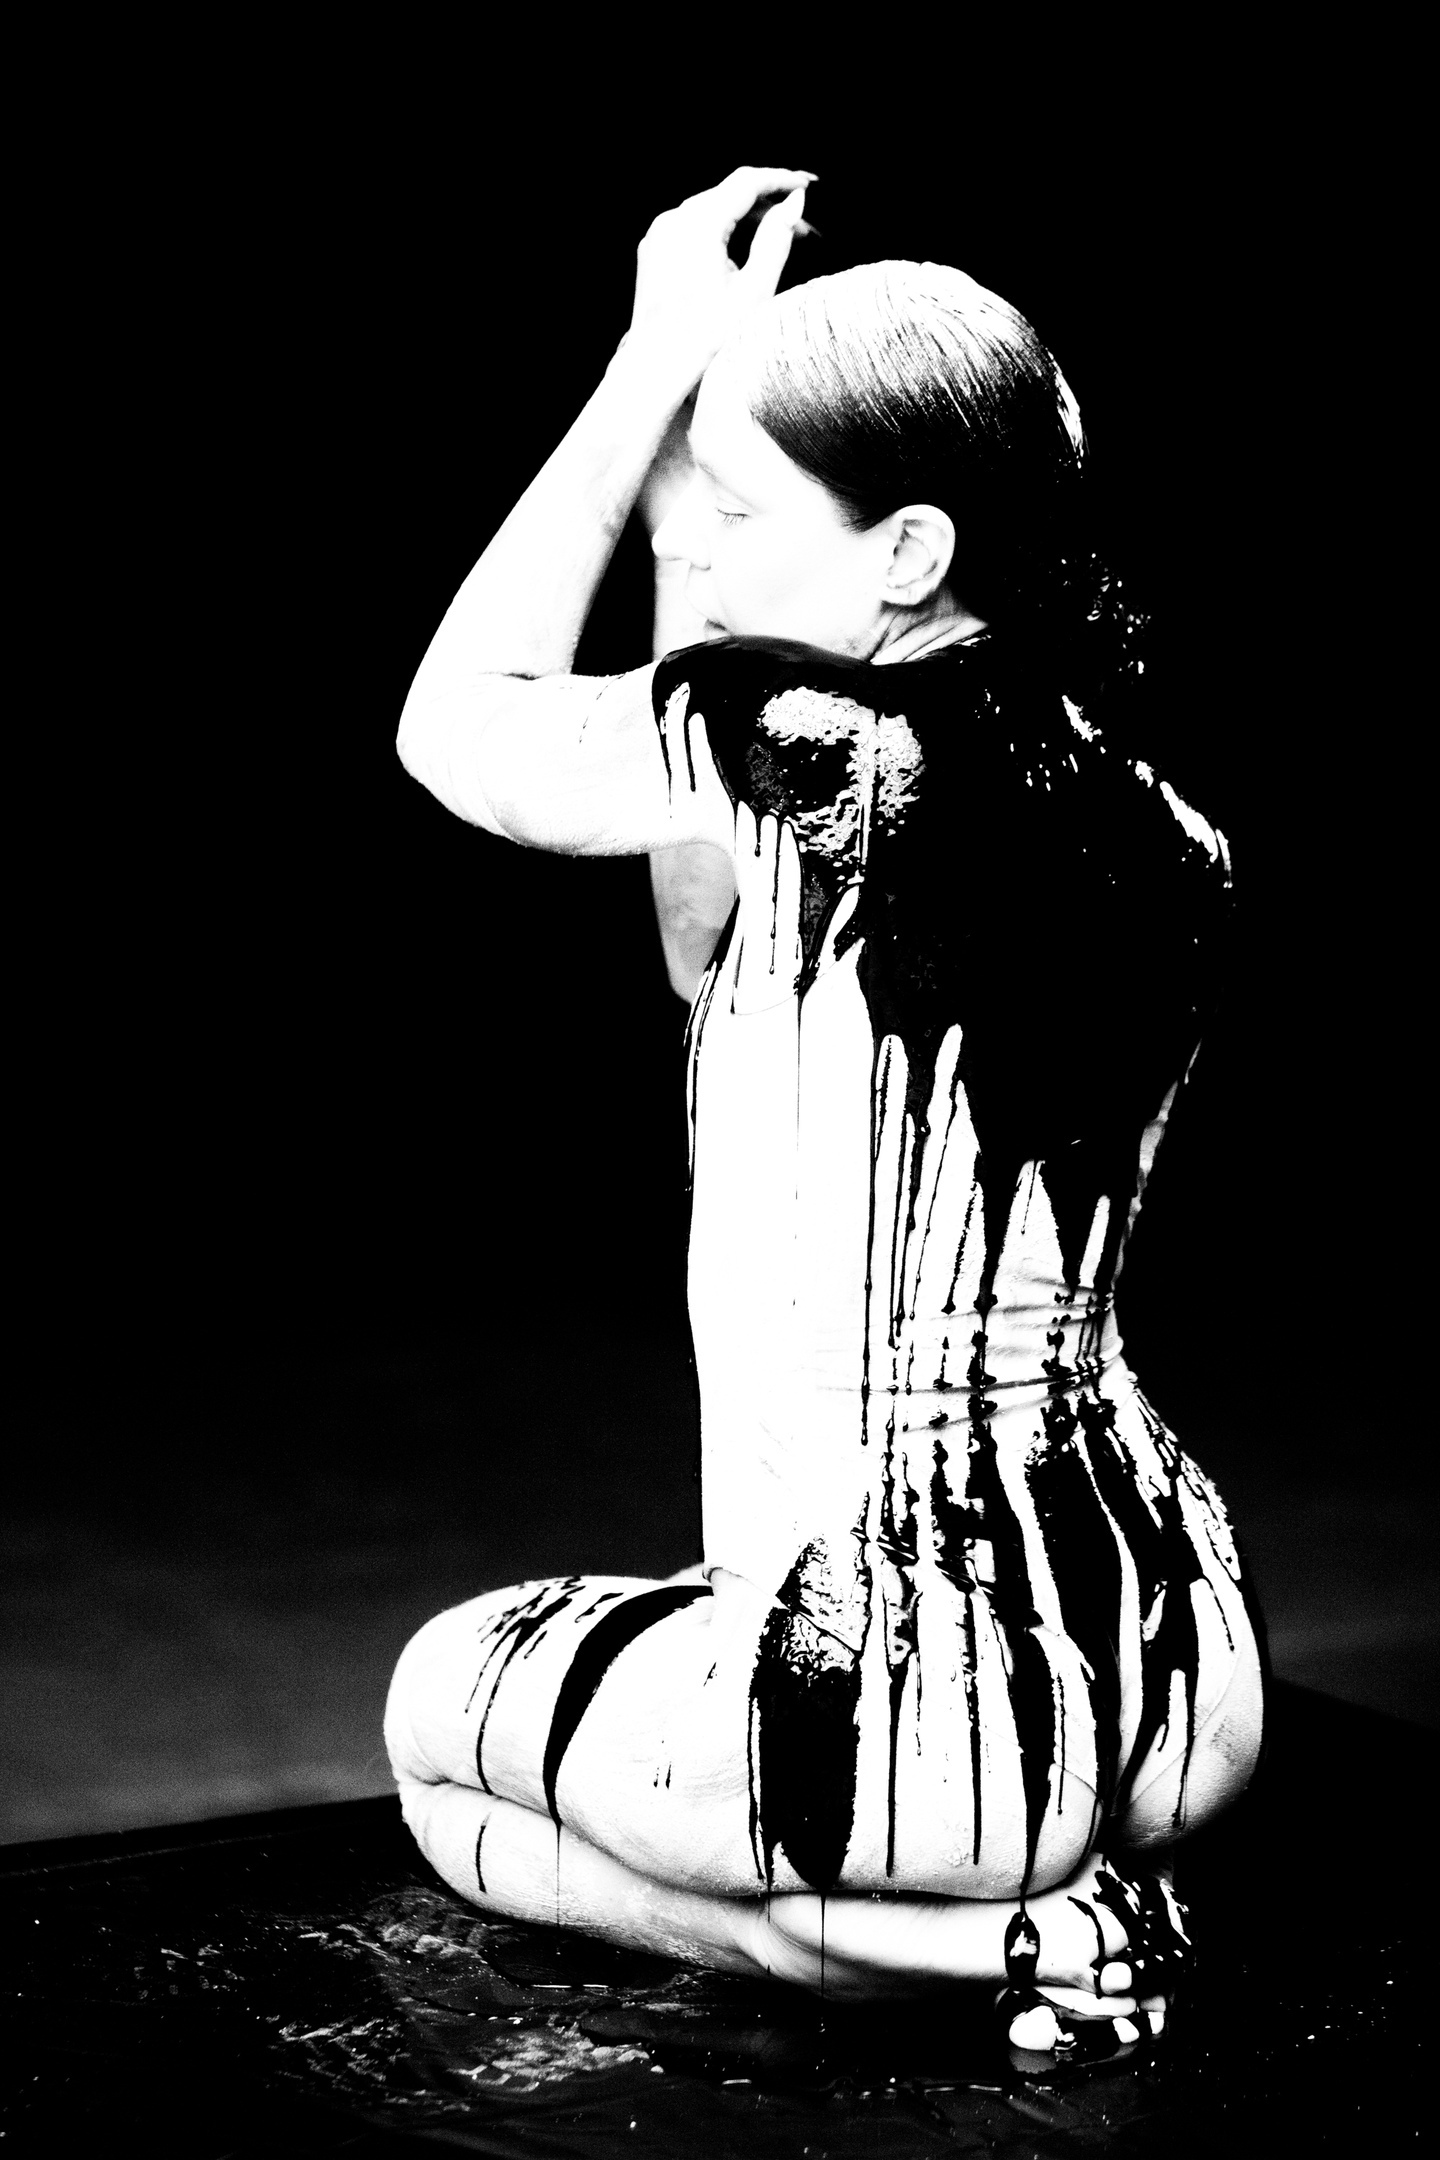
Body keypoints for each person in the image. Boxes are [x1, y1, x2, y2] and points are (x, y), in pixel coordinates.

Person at [383, 167, 1264, 2057]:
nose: (703, 561)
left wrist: (647, 368)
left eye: (741, 517)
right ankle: (1037, 1910)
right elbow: (698, 950)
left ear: (907, 551)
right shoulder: (1169, 839)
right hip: (1172, 1669)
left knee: (439, 1737)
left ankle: (952, 1951)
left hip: (894, 1714)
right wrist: (702, 498)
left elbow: (459, 722)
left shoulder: (797, 749)